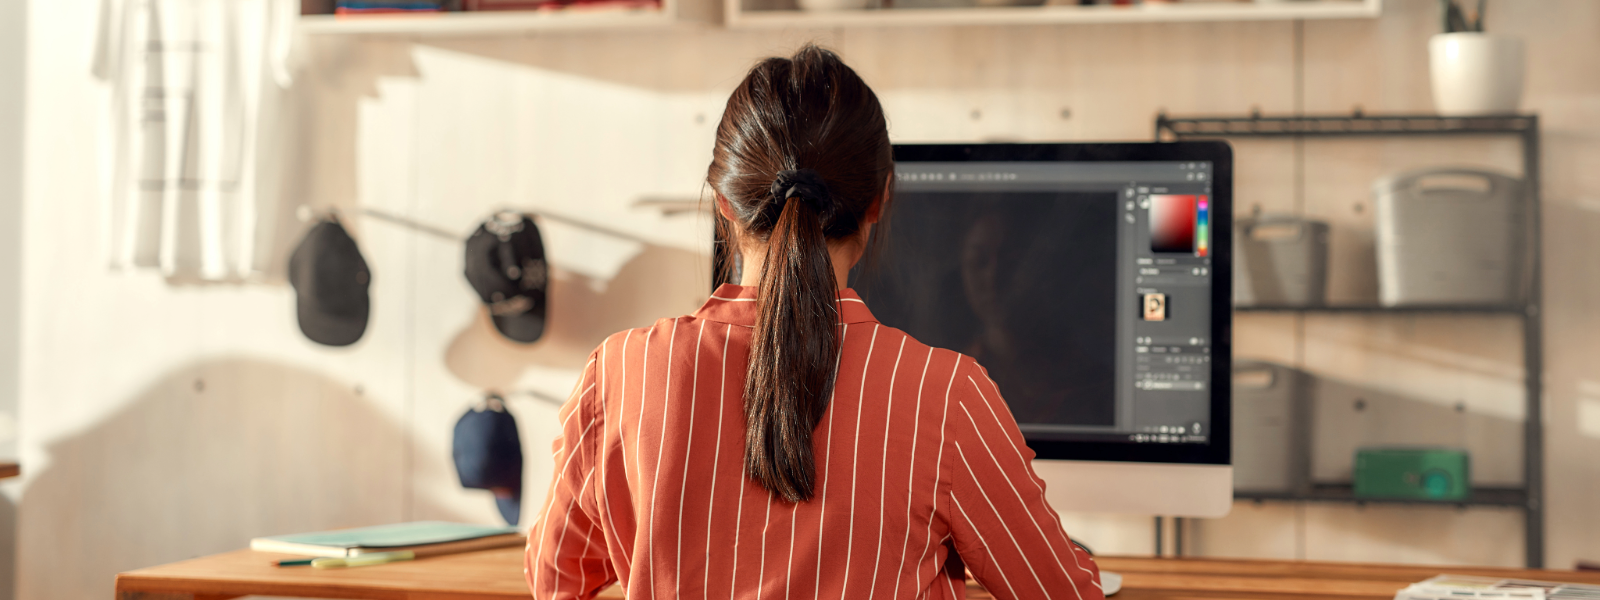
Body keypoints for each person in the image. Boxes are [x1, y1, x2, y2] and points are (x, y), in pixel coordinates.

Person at [526, 44, 1105, 600]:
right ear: (879, 201)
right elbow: (1059, 592)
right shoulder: (947, 394)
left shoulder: (622, 372)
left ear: (723, 202)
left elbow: (555, 578)